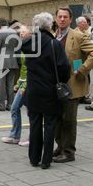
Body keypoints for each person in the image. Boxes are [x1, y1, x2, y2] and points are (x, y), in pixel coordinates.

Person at [22, 13, 70, 169]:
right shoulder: (54, 44)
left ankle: (34, 157)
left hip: (33, 89)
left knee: (34, 124)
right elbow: (63, 68)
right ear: (49, 26)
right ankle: (46, 159)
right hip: (50, 89)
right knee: (50, 125)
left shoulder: (28, 42)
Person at [53, 7, 93, 163]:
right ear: (55, 18)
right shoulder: (55, 36)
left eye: (65, 17)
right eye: (59, 16)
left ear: (70, 19)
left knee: (69, 120)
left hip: (72, 85)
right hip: (57, 85)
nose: (62, 19)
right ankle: (60, 146)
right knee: (58, 118)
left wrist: (82, 69)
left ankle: (69, 151)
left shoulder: (78, 36)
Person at [2, 25, 30, 146]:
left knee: (26, 110)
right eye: (20, 32)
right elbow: (24, 69)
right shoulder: (22, 46)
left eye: (24, 32)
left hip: (29, 84)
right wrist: (19, 83)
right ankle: (15, 136)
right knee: (16, 108)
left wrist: (23, 85)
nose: (21, 34)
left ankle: (27, 137)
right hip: (24, 82)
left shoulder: (31, 47)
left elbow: (30, 68)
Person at [0, 18, 19, 111]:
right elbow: (17, 45)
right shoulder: (14, 32)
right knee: (10, 84)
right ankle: (10, 105)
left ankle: (1, 105)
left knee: (0, 84)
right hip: (12, 59)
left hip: (1, 60)